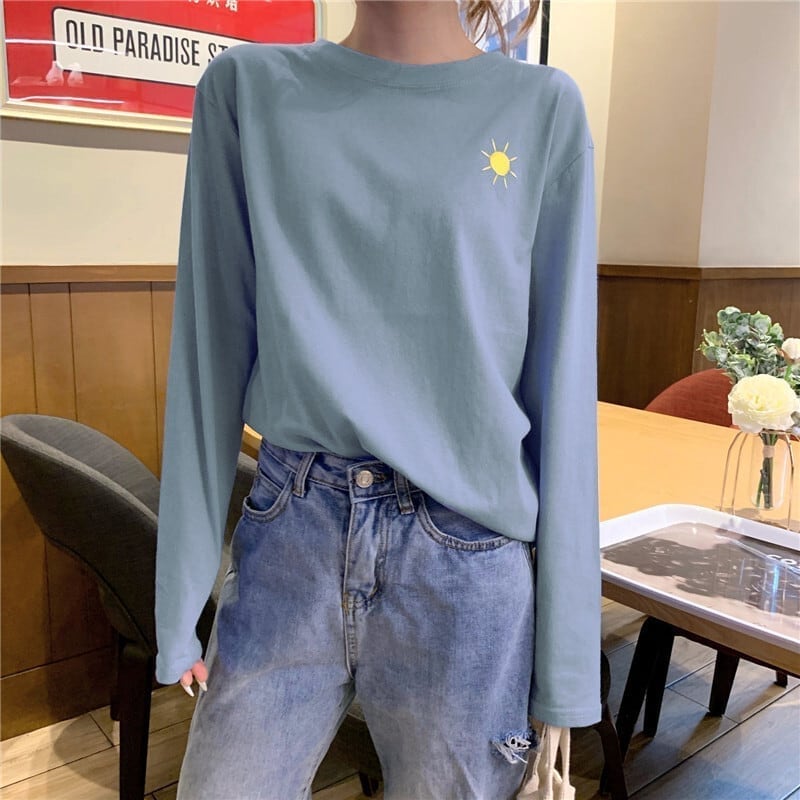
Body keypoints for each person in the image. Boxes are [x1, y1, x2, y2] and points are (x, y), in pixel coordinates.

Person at [154, 1, 602, 798]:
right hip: (292, 535)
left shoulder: (541, 108)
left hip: (468, 559)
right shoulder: (248, 91)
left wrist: (565, 669)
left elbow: (564, 390)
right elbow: (207, 353)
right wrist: (179, 598)